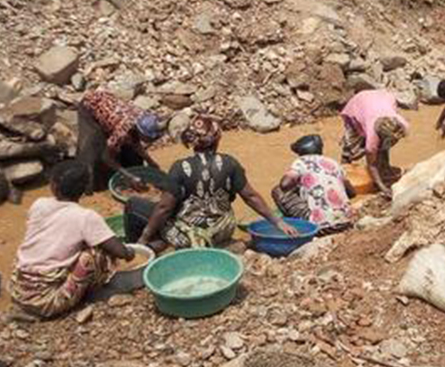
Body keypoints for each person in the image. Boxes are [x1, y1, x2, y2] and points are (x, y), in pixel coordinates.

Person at [127, 115, 296, 251]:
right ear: (217, 139)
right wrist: (278, 222)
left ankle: (148, 247)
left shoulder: (180, 168)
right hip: (222, 229)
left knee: (135, 205)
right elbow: (251, 196)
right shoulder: (229, 164)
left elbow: (164, 208)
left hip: (189, 236)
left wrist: (145, 236)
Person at [11, 161, 134, 319]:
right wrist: (130, 252)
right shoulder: (85, 217)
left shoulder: (38, 205)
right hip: (46, 302)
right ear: (84, 189)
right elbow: (120, 251)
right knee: (95, 254)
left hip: (18, 292)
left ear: (53, 186)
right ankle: (90, 292)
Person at [77, 90, 164, 193]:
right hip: (90, 105)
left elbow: (135, 142)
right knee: (95, 146)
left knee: (126, 148)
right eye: (149, 138)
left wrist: (151, 162)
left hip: (107, 106)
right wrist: (128, 175)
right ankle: (87, 183)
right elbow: (106, 157)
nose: (150, 141)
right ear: (142, 132)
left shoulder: (143, 117)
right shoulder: (122, 130)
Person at [272, 135, 356, 234]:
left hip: (320, 227)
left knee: (277, 191)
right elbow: (352, 193)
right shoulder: (333, 163)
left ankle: (299, 227)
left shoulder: (301, 162)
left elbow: (284, 185)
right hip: (346, 222)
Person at [340, 90, 409, 199]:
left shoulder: (400, 124)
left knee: (383, 147)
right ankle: (343, 172)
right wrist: (382, 187)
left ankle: (384, 166)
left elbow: (388, 140)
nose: (393, 143)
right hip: (359, 104)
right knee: (352, 147)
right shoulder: (373, 137)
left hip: (381, 98)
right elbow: (371, 165)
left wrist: (384, 149)